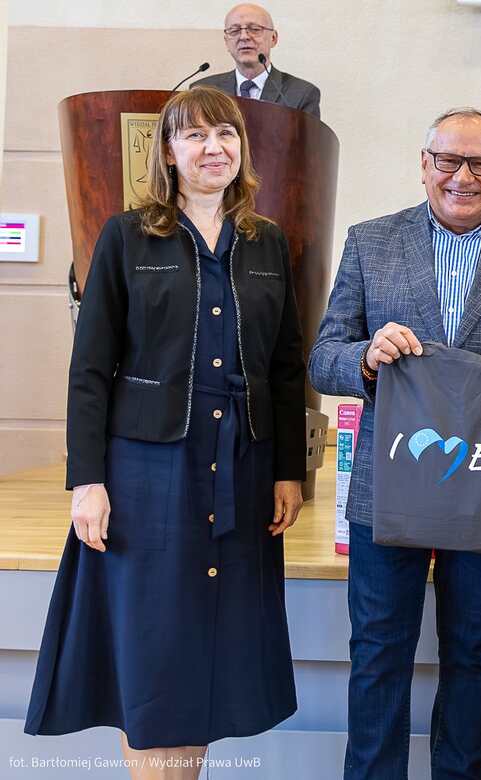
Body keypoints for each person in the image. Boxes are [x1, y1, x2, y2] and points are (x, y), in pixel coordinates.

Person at [25, 86, 306, 779]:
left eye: (226, 135)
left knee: (210, 643)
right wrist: (87, 481)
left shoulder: (266, 240)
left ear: (242, 149)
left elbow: (285, 364)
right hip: (148, 471)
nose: (214, 148)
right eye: (195, 136)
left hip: (242, 465)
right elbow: (91, 368)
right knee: (154, 646)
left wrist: (288, 471)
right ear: (169, 154)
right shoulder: (126, 235)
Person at [308, 106, 481, 780]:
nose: (463, 176)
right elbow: (323, 357)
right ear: (424, 165)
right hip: (388, 486)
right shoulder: (371, 241)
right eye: (448, 160)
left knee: (473, 648)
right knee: (378, 650)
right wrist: (365, 358)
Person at [193, 3, 321, 119]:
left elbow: (307, 138)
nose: (244, 37)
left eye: (254, 29)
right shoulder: (204, 90)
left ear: (273, 38)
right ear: (227, 42)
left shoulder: (302, 93)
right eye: (235, 31)